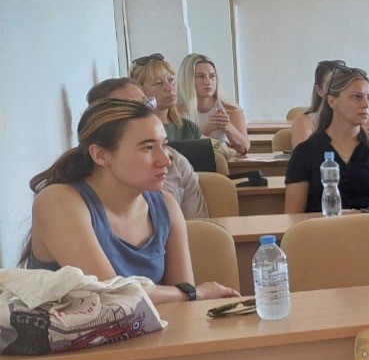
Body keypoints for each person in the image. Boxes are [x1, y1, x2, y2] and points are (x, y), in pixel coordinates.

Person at [23, 98, 240, 304]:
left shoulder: (166, 204)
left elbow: (184, 302)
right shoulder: (58, 201)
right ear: (100, 155)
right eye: (148, 147)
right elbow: (110, 295)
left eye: (164, 145)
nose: (165, 160)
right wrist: (195, 293)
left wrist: (189, 295)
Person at [284, 65, 369, 214]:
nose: (366, 104)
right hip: (324, 228)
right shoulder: (305, 152)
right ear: (332, 101)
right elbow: (293, 216)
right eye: (356, 97)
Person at [85, 77, 208, 219]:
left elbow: (200, 227)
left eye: (147, 104)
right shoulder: (78, 198)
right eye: (133, 110)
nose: (166, 161)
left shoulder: (177, 162)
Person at [178, 53, 250, 154]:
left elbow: (244, 148)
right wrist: (209, 127)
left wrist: (228, 127)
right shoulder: (176, 111)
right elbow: (180, 148)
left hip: (224, 162)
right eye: (200, 76)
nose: (208, 82)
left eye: (212, 76)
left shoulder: (230, 109)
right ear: (187, 79)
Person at [130, 53, 201, 142]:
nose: (169, 88)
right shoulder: (134, 130)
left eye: (171, 80)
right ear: (139, 89)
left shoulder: (190, 128)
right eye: (158, 83)